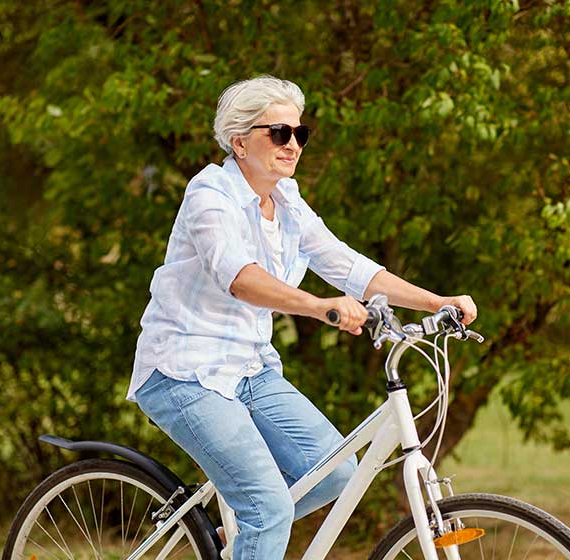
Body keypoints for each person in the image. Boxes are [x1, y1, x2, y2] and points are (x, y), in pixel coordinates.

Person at [128, 75, 477, 560]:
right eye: (279, 133)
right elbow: (240, 278)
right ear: (240, 141)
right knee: (269, 509)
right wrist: (317, 305)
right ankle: (258, 527)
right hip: (185, 372)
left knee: (335, 471)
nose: (293, 145)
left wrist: (437, 301)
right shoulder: (209, 194)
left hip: (251, 369)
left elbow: (348, 265)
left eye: (299, 134)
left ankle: (244, 538)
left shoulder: (287, 201)